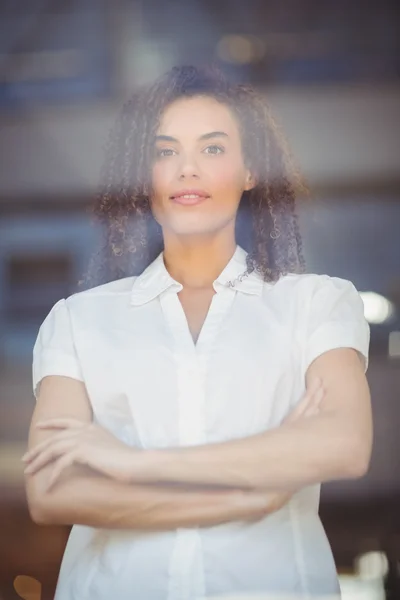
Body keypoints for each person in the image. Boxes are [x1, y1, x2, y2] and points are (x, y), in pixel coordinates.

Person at [23, 65, 372, 600]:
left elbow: (344, 445)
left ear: (250, 169)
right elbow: (52, 490)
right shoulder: (78, 320)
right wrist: (252, 492)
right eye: (166, 152)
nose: (187, 168)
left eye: (212, 149)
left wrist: (130, 464)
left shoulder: (315, 304)